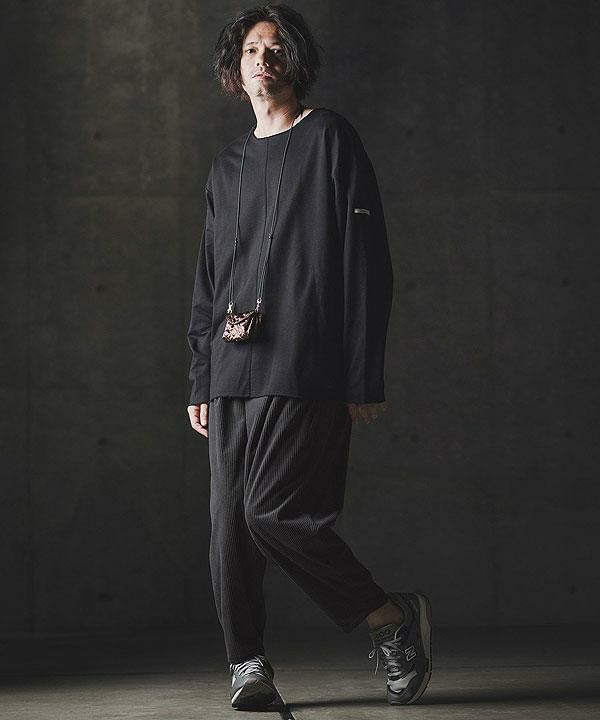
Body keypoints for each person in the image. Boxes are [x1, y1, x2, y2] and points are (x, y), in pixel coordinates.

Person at [186, 3, 432, 709]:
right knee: (229, 530)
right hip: (231, 366)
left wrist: (361, 370)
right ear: (235, 70)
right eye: (250, 50)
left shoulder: (329, 138)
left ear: (294, 61)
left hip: (306, 361)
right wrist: (200, 374)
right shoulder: (226, 166)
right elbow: (209, 279)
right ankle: (247, 664)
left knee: (273, 513)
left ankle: (387, 618)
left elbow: (366, 261)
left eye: (274, 48)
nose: (262, 59)